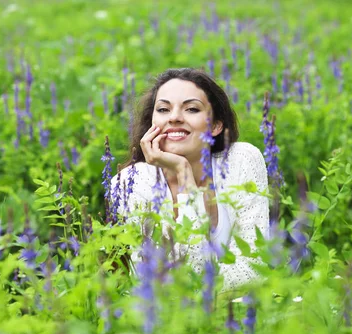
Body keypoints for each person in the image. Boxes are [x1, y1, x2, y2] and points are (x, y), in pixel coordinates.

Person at [111, 68, 269, 291]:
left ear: (216, 125)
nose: (174, 117)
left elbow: (254, 269)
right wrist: (183, 171)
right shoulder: (132, 183)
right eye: (164, 109)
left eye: (192, 109)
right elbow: (177, 284)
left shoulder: (242, 161)